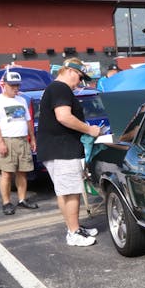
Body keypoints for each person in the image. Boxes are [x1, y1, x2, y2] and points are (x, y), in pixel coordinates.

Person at [37, 58, 102, 247]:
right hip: (62, 149)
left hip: (56, 148)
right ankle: (74, 233)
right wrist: (90, 130)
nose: (79, 83)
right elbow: (64, 117)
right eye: (80, 77)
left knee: (64, 191)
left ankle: (73, 227)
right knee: (72, 192)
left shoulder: (54, 88)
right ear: (71, 71)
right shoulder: (61, 88)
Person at [0, 70, 38, 215]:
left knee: (22, 172)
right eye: (12, 85)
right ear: (4, 85)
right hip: (7, 141)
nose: (16, 88)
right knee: (7, 174)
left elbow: (28, 120)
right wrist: (0, 142)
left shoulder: (21, 100)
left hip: (22, 140)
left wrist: (32, 138)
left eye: (17, 85)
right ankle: (6, 203)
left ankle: (22, 200)